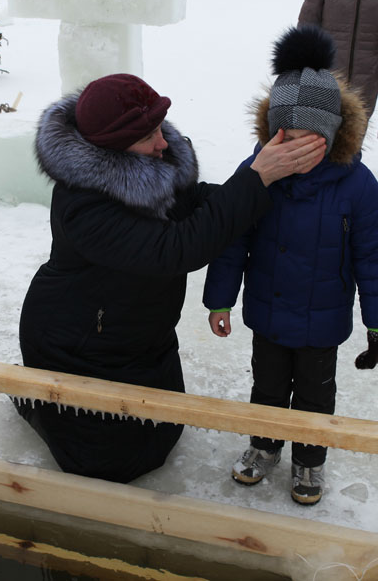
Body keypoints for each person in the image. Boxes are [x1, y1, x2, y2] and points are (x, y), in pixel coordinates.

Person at [17, 73, 328, 484]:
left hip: (140, 340)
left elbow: (196, 203)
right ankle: (33, 398)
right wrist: (256, 179)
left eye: (160, 128)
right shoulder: (84, 206)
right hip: (77, 346)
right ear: (112, 147)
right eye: (148, 136)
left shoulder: (146, 167)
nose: (163, 143)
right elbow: (177, 247)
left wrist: (274, 193)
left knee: (162, 433)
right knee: (104, 465)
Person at [202, 26, 378, 505]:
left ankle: (310, 459)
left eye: (309, 139)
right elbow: (231, 241)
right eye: (286, 137)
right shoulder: (257, 174)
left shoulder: (357, 185)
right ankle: (264, 445)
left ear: (332, 134)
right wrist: (219, 300)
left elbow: (375, 256)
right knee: (267, 387)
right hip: (268, 314)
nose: (294, 149)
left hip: (322, 321)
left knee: (315, 395)